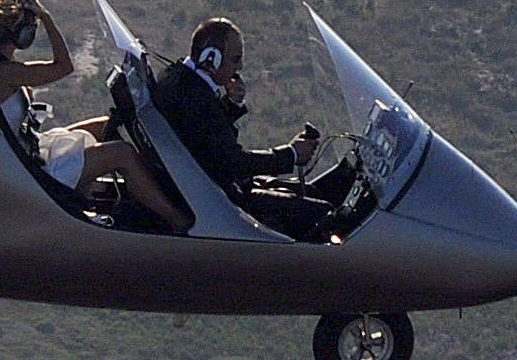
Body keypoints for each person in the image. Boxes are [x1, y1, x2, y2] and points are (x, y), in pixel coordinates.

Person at [147, 17, 359, 235]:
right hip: (222, 200)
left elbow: (202, 135)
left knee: (312, 192)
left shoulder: (178, 78)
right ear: (212, 59)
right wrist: (291, 154)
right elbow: (232, 162)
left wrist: (231, 105)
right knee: (323, 213)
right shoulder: (196, 96)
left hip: (211, 188)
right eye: (235, 59)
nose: (239, 67)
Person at [0, 0, 149, 210]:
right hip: (29, 169)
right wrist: (47, 18)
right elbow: (64, 66)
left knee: (107, 126)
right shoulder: (6, 72)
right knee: (123, 153)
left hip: (26, 148)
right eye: (31, 28)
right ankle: (177, 222)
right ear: (23, 34)